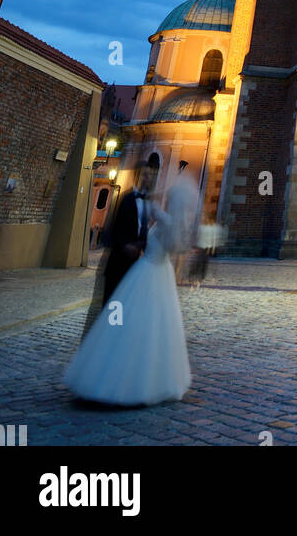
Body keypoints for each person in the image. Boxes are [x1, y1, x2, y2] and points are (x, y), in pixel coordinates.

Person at [63, 183, 192, 406]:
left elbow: (169, 241)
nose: (166, 200)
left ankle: (128, 380)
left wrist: (152, 202)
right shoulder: (167, 221)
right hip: (146, 271)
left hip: (152, 273)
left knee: (138, 324)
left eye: (170, 198)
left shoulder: (167, 221)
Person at [102, 154, 158, 305]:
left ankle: (117, 327)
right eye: (145, 175)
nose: (148, 179)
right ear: (137, 176)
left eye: (150, 176)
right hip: (118, 261)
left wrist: (143, 246)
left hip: (134, 263)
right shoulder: (126, 199)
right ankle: (110, 328)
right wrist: (126, 245)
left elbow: (143, 229)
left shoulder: (147, 202)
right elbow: (114, 229)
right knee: (112, 304)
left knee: (125, 303)